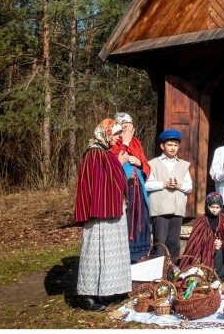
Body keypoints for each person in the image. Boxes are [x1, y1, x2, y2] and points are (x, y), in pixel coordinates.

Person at [74, 118, 131, 311]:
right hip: (100, 214)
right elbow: (98, 183)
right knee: (95, 253)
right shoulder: (94, 153)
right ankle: (87, 295)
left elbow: (112, 178)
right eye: (115, 134)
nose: (118, 138)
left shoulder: (104, 152)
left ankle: (105, 291)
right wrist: (120, 163)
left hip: (111, 212)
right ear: (105, 133)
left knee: (109, 254)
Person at [145, 129, 193, 262]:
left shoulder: (183, 165)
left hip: (177, 209)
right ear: (162, 146)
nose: (173, 148)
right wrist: (164, 184)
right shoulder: (153, 163)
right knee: (160, 241)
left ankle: (171, 271)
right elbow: (147, 185)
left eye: (176, 145)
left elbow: (189, 186)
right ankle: (157, 273)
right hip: (160, 209)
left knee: (174, 242)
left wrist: (179, 186)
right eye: (170, 145)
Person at [111, 112, 151, 263]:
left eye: (129, 126)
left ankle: (140, 256)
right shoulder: (113, 142)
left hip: (138, 189)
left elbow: (146, 165)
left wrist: (139, 163)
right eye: (123, 127)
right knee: (126, 221)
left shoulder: (136, 143)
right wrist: (124, 143)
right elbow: (113, 162)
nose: (127, 129)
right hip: (123, 191)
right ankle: (124, 257)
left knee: (141, 220)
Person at [179, 192, 224, 280]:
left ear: (221, 207)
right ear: (207, 206)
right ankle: (207, 277)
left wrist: (222, 243)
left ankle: (219, 278)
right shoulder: (201, 221)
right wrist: (211, 244)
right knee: (213, 251)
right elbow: (195, 243)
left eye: (217, 207)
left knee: (222, 252)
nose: (214, 210)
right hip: (203, 251)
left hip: (221, 250)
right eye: (212, 207)